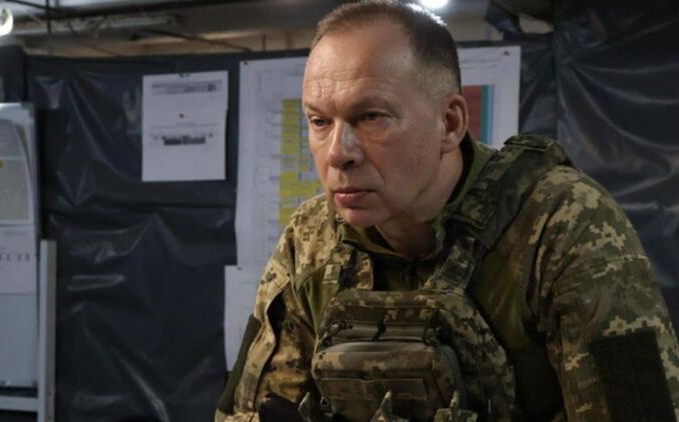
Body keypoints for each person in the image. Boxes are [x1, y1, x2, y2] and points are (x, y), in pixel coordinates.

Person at [216, 1, 679, 420]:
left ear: (450, 123)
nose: (338, 152)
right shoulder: (311, 238)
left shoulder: (560, 223)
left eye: (371, 117)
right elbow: (248, 412)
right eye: (320, 121)